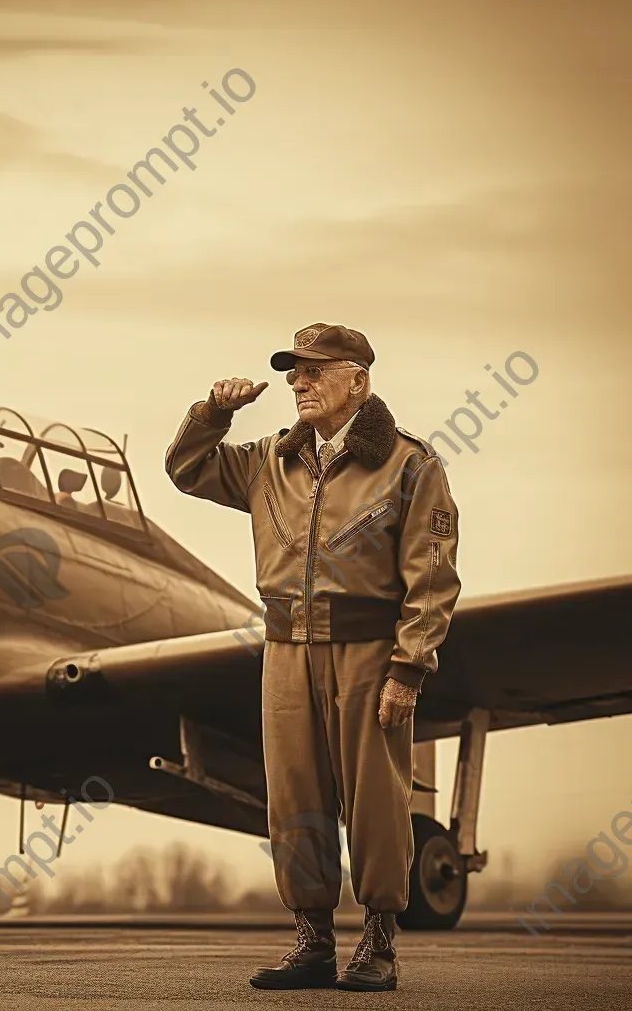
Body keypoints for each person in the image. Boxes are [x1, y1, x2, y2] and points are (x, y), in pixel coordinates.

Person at [164, 323, 461, 992]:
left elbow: (433, 579)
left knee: (376, 798)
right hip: (284, 650)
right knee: (294, 794)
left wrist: (409, 669)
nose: (299, 382)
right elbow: (186, 469)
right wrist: (214, 412)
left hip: (369, 650)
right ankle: (314, 941)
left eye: (316, 371)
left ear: (357, 379)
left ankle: (380, 942)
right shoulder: (267, 460)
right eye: (294, 372)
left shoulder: (413, 464)